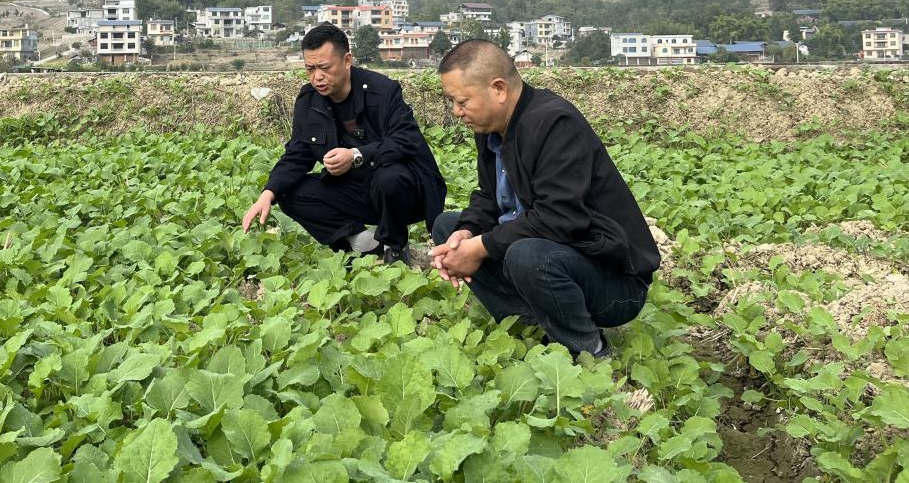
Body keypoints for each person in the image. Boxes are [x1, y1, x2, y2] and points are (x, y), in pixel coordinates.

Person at [429, 39, 659, 357]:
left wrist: (479, 247)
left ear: (498, 89)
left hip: (614, 282)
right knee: (447, 226)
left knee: (527, 255)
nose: (457, 112)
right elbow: (488, 197)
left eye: (462, 101)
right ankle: (534, 326)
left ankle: (589, 349)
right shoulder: (491, 130)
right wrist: (465, 234)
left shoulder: (553, 123)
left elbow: (560, 218)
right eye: (452, 102)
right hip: (550, 253)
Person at [242, 23, 446, 264]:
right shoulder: (309, 101)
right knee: (288, 192)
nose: (317, 77)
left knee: (388, 177)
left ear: (347, 60)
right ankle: (363, 243)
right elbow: (297, 154)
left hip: (406, 194)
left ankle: (395, 246)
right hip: (357, 191)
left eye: (325, 68)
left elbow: (406, 141)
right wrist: (268, 193)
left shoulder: (382, 91)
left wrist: (356, 155)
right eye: (310, 69)